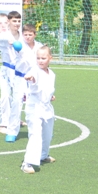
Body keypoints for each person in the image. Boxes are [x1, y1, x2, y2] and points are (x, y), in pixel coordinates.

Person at [21, 45, 56, 174]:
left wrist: (50, 96)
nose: (40, 61)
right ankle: (27, 163)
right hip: (34, 108)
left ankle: (43, 155)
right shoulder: (35, 70)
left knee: (47, 134)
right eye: (38, 58)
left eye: (43, 58)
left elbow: (46, 88)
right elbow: (31, 76)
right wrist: (29, 78)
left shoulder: (52, 74)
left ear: (50, 58)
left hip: (46, 108)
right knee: (35, 135)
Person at [0, 10, 24, 140]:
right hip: (6, 71)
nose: (17, 23)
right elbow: (8, 40)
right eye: (14, 21)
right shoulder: (3, 35)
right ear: (9, 22)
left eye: (19, 21)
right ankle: (3, 123)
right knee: (5, 96)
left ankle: (15, 120)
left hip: (19, 72)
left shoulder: (22, 36)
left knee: (19, 98)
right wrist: (13, 41)